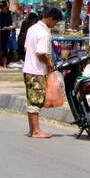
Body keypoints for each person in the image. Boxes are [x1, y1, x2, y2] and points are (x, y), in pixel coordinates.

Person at [22, 7, 59, 138]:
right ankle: (36, 131)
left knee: (31, 99)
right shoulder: (44, 33)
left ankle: (32, 130)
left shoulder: (32, 29)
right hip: (37, 71)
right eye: (55, 22)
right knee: (36, 101)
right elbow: (40, 53)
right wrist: (49, 64)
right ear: (50, 19)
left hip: (28, 69)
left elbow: (27, 47)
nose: (55, 25)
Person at [0, 0, 16, 66]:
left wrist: (7, 28)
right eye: (0, 8)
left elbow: (14, 25)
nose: (1, 9)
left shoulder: (12, 14)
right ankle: (4, 65)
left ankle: (11, 63)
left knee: (12, 50)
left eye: (3, 8)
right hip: (2, 34)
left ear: (7, 7)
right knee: (3, 50)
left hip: (10, 34)